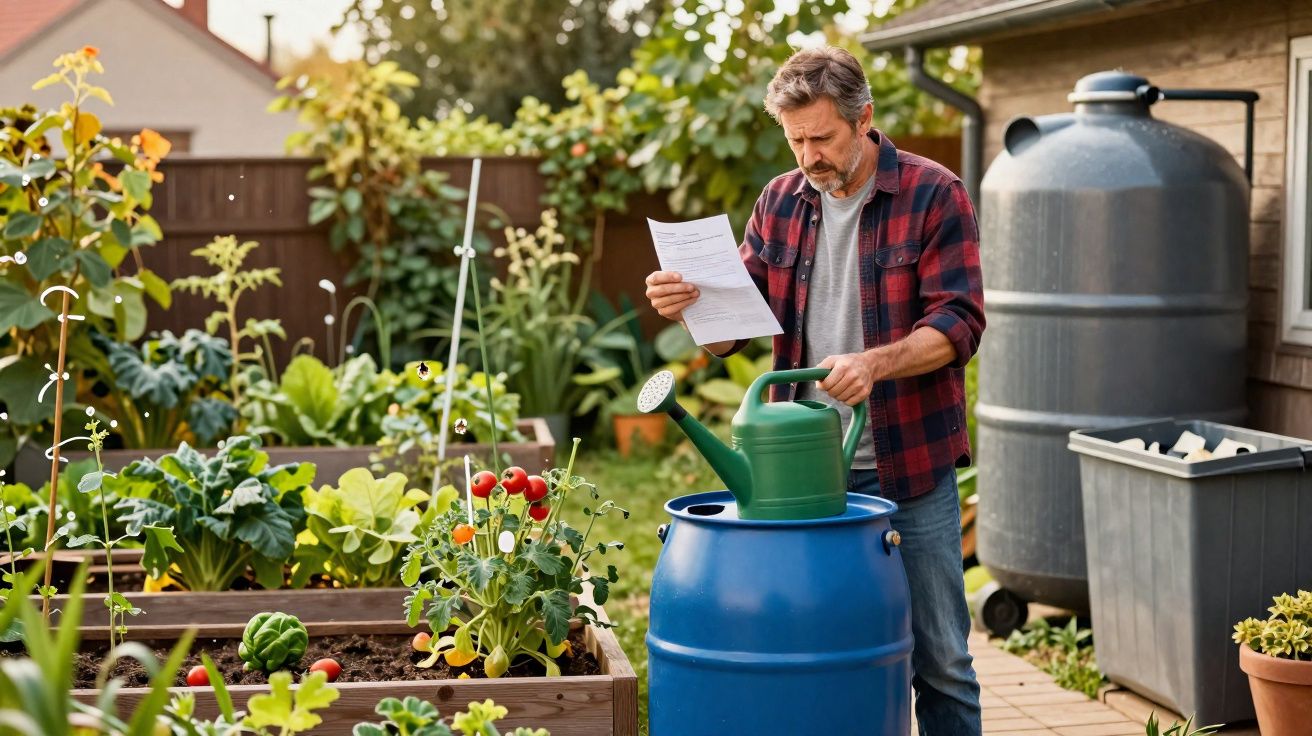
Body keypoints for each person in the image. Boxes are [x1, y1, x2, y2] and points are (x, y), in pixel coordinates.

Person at [644, 45, 986, 735]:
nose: (808, 156)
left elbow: (960, 323)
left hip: (907, 470)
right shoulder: (779, 202)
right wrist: (690, 310)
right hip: (796, 476)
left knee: (941, 660)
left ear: (864, 121)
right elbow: (730, 337)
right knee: (808, 649)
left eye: (822, 138)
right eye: (795, 140)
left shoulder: (932, 192)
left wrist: (876, 364)